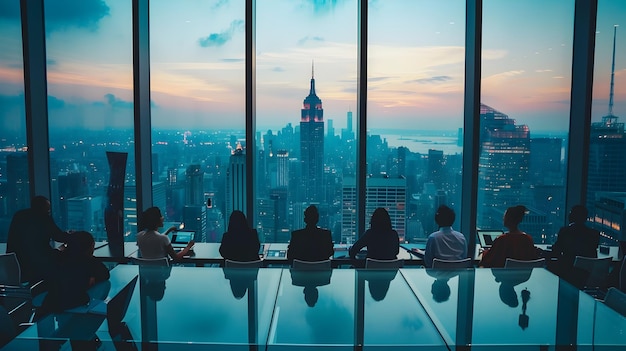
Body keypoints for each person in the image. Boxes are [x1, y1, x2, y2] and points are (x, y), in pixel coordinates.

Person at [40, 231, 110, 314]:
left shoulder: (58, 257)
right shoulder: (89, 262)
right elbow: (105, 274)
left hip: (49, 304)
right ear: (90, 247)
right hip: (74, 306)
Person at [6, 195, 70, 283]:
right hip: (38, 267)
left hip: (18, 265)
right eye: (47, 209)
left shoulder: (19, 216)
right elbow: (58, 236)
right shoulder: (44, 218)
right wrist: (73, 236)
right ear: (42, 209)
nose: (49, 211)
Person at [550, 205, 600, 285]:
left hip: (567, 273)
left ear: (572, 216)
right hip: (586, 274)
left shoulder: (565, 231)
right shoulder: (594, 234)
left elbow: (556, 251)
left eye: (571, 213)